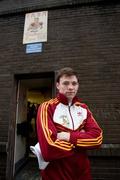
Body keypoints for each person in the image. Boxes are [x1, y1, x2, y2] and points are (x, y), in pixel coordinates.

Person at [36, 67, 103, 180]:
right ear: (58, 85)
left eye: (74, 83)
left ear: (78, 85)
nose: (71, 87)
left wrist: (68, 136)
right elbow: (48, 149)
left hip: (83, 174)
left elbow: (97, 138)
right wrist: (82, 139)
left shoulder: (83, 108)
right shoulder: (47, 107)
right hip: (56, 174)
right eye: (66, 83)